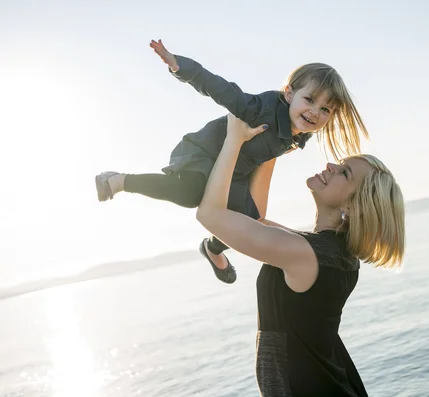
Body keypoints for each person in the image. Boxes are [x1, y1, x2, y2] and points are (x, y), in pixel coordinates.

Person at [95, 39, 369, 285]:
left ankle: (212, 249)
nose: (314, 112)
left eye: (325, 109)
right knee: (190, 194)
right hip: (206, 155)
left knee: (248, 221)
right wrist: (180, 67)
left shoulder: (300, 134)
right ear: (288, 94)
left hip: (237, 173)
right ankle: (119, 180)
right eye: (309, 100)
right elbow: (224, 91)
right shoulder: (260, 109)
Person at [196, 114, 405, 397]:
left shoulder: (305, 254)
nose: (331, 165)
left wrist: (234, 138)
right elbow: (256, 220)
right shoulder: (335, 253)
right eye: (341, 164)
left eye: (344, 173)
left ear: (354, 206)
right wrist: (275, 147)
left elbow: (210, 214)